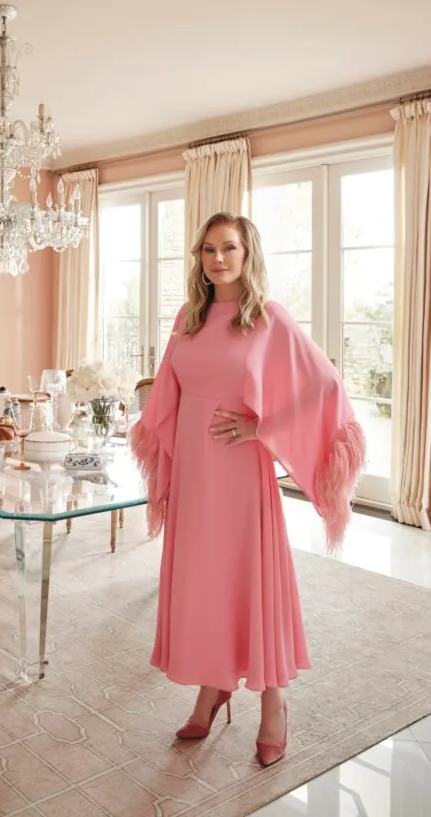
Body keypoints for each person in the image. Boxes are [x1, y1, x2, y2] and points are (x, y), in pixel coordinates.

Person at [130, 211, 365, 767]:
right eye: (208, 249)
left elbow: (323, 385)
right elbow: (167, 391)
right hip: (193, 472)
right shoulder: (188, 318)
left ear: (247, 254)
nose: (217, 259)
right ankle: (213, 687)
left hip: (238, 475)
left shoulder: (268, 319)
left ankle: (274, 700)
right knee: (203, 581)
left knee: (249, 579)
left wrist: (264, 427)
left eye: (228, 248)